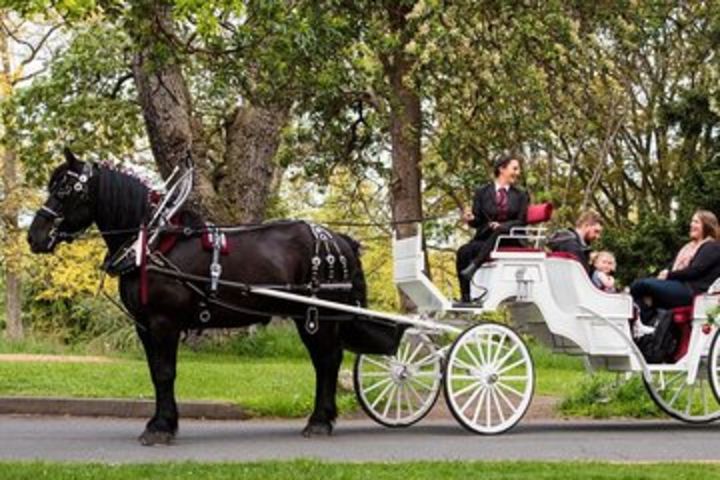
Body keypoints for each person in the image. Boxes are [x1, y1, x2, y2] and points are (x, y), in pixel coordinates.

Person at [456, 152, 529, 302]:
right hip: (486, 239)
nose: (518, 173)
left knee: (501, 230)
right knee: (463, 252)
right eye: (514, 169)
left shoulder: (521, 195)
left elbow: (521, 221)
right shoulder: (482, 192)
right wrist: (469, 219)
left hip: (509, 238)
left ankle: (474, 267)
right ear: (502, 169)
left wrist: (502, 226)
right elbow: (477, 221)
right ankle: (465, 297)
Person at [631, 210, 720, 321]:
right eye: (692, 222)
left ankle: (646, 322)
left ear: (707, 225)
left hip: (692, 291)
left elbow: (695, 271)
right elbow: (671, 266)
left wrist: (669, 275)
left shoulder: (712, 246)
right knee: (642, 295)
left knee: (641, 285)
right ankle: (647, 326)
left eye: (696, 222)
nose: (691, 225)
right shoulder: (688, 248)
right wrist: (663, 274)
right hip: (680, 286)